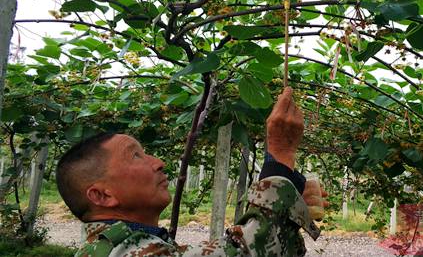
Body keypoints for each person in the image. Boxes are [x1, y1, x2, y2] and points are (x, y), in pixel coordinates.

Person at [56, 87, 328, 256]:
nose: (158, 161)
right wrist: (280, 154)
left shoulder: (127, 245)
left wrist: (286, 199)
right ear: (102, 195)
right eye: (135, 156)